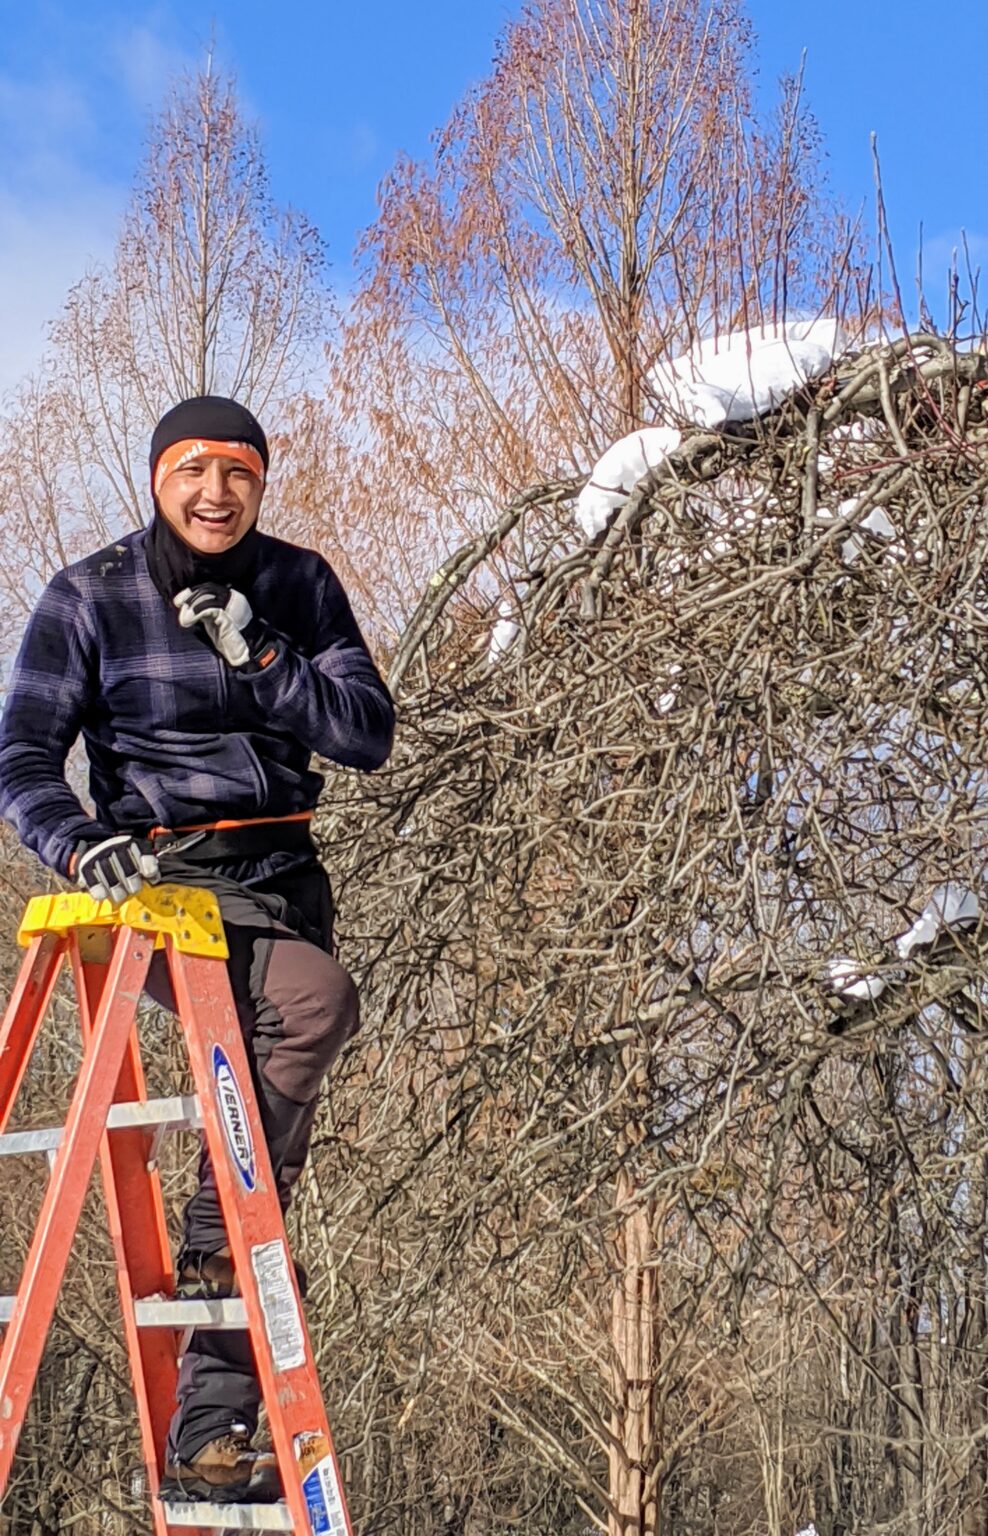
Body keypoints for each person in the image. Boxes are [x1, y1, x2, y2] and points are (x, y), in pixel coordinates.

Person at [0, 396, 395, 1504]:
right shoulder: (90, 595)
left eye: (238, 474)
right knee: (311, 1011)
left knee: (269, 1094)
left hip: (275, 884)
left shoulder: (299, 585)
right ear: (158, 478)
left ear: (259, 488)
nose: (216, 493)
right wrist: (80, 848)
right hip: (160, 888)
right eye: (194, 471)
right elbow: (23, 756)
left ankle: (212, 1427)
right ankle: (219, 1248)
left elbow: (366, 733)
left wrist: (261, 652)